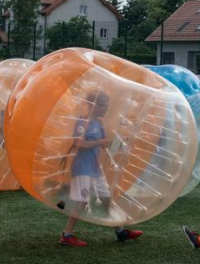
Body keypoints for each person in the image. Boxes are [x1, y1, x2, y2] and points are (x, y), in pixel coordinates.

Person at [59, 90, 142, 247]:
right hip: (83, 168)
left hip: (95, 169)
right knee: (81, 202)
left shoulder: (98, 124)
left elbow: (105, 145)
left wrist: (122, 143)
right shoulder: (82, 122)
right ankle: (67, 235)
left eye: (106, 106)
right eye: (103, 105)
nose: (106, 108)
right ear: (93, 105)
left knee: (106, 199)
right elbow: (79, 144)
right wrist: (99, 142)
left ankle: (120, 231)